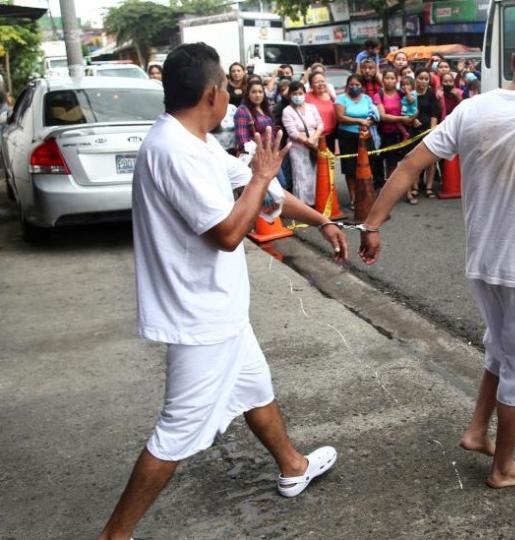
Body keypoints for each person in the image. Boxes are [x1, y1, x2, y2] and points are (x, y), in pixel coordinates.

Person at [96, 43, 348, 540]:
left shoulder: (198, 142)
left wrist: (322, 220)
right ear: (211, 92)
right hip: (199, 317)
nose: (229, 100)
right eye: (227, 91)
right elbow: (229, 233)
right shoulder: (175, 150)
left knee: (254, 386)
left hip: (220, 309)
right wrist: (259, 176)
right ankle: (114, 535)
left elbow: (267, 194)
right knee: (175, 435)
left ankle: (292, 465)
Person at [358, 19, 515, 490]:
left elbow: (410, 165)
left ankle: (476, 431)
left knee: (502, 348)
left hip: (485, 262)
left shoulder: (472, 109)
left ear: (512, 62)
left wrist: (372, 224)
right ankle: (504, 467)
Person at [234, 81, 288, 190]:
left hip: (272, 155)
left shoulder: (265, 108)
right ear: (248, 94)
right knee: (267, 191)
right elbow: (243, 141)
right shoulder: (242, 111)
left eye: (260, 91)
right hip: (258, 159)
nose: (257, 95)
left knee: (281, 187)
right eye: (253, 92)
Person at [336, 74, 380, 209]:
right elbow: (340, 117)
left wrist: (369, 122)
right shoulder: (341, 98)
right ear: (347, 86)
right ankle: (353, 199)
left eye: (357, 85)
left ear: (362, 86)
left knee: (369, 165)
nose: (354, 87)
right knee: (350, 169)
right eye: (351, 85)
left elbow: (373, 116)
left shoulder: (367, 99)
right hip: (347, 137)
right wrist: (359, 121)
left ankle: (367, 196)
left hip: (366, 136)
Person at [377, 69, 416, 202]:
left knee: (407, 163)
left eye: (392, 78)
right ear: (383, 80)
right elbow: (383, 116)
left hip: (404, 133)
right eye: (386, 78)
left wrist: (411, 119)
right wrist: (401, 119)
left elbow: (413, 106)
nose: (389, 81)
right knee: (391, 165)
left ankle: (408, 193)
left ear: (397, 80)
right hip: (388, 134)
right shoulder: (379, 95)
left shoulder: (401, 93)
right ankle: (391, 194)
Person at [282, 81, 324, 206]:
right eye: (295, 93)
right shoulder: (287, 111)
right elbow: (292, 132)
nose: (298, 96)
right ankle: (302, 205)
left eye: (300, 93)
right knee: (300, 176)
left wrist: (314, 139)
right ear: (290, 95)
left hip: (314, 145)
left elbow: (320, 124)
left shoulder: (312, 107)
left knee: (315, 174)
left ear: (305, 94)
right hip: (297, 148)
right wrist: (307, 142)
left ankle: (317, 202)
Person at [413, 68, 441, 198]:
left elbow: (434, 113)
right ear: (415, 78)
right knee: (415, 160)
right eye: (421, 78)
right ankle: (415, 186)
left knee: (430, 160)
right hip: (413, 131)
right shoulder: (410, 94)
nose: (423, 81)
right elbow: (406, 110)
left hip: (428, 131)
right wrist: (412, 120)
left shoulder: (431, 93)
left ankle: (429, 187)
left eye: (426, 79)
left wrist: (432, 130)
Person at [306, 71, 338, 153]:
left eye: (322, 81)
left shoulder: (330, 96)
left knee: (330, 163)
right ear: (311, 85)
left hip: (331, 136)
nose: (320, 84)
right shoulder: (307, 97)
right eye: (316, 82)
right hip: (315, 137)